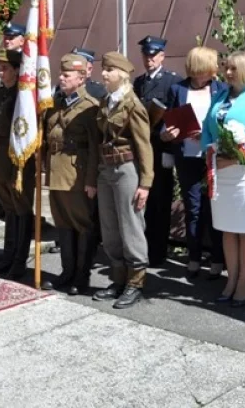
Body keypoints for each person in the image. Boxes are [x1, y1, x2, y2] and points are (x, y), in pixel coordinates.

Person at [203, 51, 245, 307]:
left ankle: (244, 281)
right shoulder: (220, 96)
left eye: (233, 68)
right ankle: (230, 279)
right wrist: (208, 153)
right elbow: (207, 126)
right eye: (226, 68)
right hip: (220, 172)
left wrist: (230, 159)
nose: (227, 72)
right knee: (228, 230)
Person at [92, 52, 155, 309]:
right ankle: (118, 279)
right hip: (106, 169)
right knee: (109, 228)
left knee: (131, 226)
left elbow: (144, 145)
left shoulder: (132, 104)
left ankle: (135, 282)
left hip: (127, 169)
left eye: (108, 70)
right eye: (103, 69)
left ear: (121, 73)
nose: (103, 74)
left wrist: (145, 183)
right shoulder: (107, 101)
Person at [161, 46, 227, 280]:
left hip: (213, 157)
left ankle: (218, 259)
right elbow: (167, 121)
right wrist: (167, 134)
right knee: (194, 209)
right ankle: (194, 258)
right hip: (187, 156)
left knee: (215, 209)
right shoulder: (178, 89)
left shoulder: (222, 89)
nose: (212, 70)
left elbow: (228, 122)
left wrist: (209, 136)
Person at [42, 54, 101, 294]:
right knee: (63, 224)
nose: (61, 78)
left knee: (83, 225)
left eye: (67, 75)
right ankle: (66, 272)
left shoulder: (89, 107)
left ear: (81, 78)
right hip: (57, 173)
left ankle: (81, 276)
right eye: (61, 74)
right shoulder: (58, 103)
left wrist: (90, 180)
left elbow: (95, 148)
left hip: (77, 175)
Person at [0, 49, 35, 280]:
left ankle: (19, 261)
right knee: (8, 208)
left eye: (4, 68)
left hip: (17, 158)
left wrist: (18, 167)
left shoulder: (23, 97)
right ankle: (8, 256)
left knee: (21, 209)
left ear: (16, 70)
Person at [134, 36, 180, 267]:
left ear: (162, 56)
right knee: (142, 200)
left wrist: (166, 133)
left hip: (161, 147)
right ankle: (142, 247)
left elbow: (176, 114)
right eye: (146, 55)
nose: (149, 59)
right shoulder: (138, 82)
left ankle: (158, 253)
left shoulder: (172, 81)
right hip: (142, 148)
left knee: (160, 201)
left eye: (153, 55)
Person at [0, 22, 26, 220]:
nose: (7, 40)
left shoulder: (28, 61)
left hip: (17, 140)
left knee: (18, 202)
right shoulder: (1, 61)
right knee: (6, 196)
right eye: (6, 37)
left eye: (12, 37)